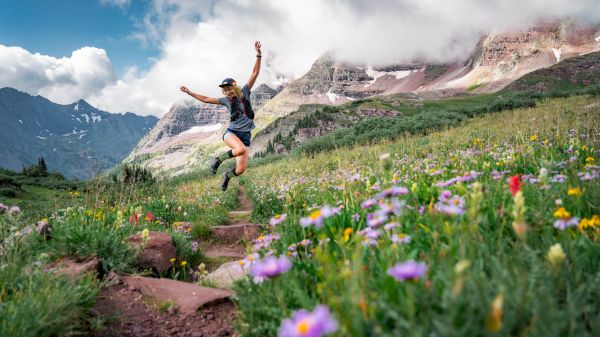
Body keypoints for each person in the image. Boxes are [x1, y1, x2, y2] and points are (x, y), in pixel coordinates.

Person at [180, 41, 262, 191]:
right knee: (240, 150)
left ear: (234, 87)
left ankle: (227, 176)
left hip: (245, 136)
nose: (227, 92)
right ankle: (217, 161)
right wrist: (189, 92)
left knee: (241, 169)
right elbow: (206, 99)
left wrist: (258, 54)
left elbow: (255, 73)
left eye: (229, 89)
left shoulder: (244, 91)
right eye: (225, 90)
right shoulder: (225, 101)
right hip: (231, 133)